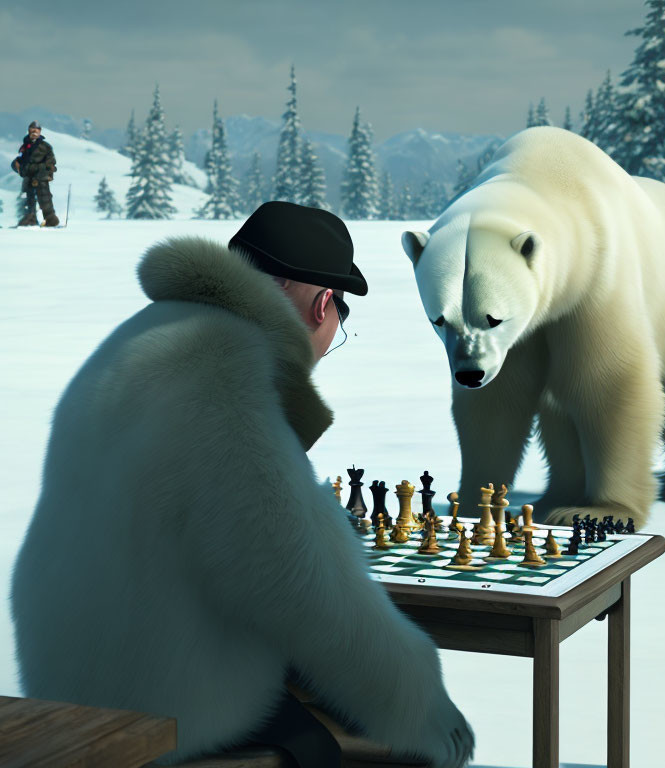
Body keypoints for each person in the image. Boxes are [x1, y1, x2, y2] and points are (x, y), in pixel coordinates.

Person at [10, 202, 474, 768]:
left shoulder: (144, 335)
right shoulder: (224, 368)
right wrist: (420, 703)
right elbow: (303, 586)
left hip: (66, 664)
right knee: (389, 752)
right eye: (338, 325)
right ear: (323, 305)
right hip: (154, 702)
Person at [11, 120, 59, 227]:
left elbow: (51, 163)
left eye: (36, 131)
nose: (34, 133)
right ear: (28, 131)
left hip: (41, 177)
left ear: (40, 132)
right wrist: (17, 164)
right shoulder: (25, 146)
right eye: (32, 130)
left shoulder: (45, 147)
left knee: (45, 198)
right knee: (28, 199)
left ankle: (50, 219)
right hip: (28, 177)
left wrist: (46, 171)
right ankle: (30, 218)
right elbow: (22, 159)